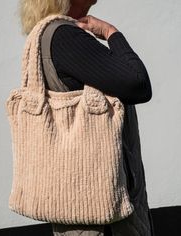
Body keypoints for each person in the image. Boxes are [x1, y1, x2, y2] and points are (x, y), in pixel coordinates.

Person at [18, 0, 155, 235]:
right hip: (105, 220)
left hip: (80, 208)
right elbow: (138, 83)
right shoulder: (65, 37)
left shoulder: (49, 35)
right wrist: (111, 33)